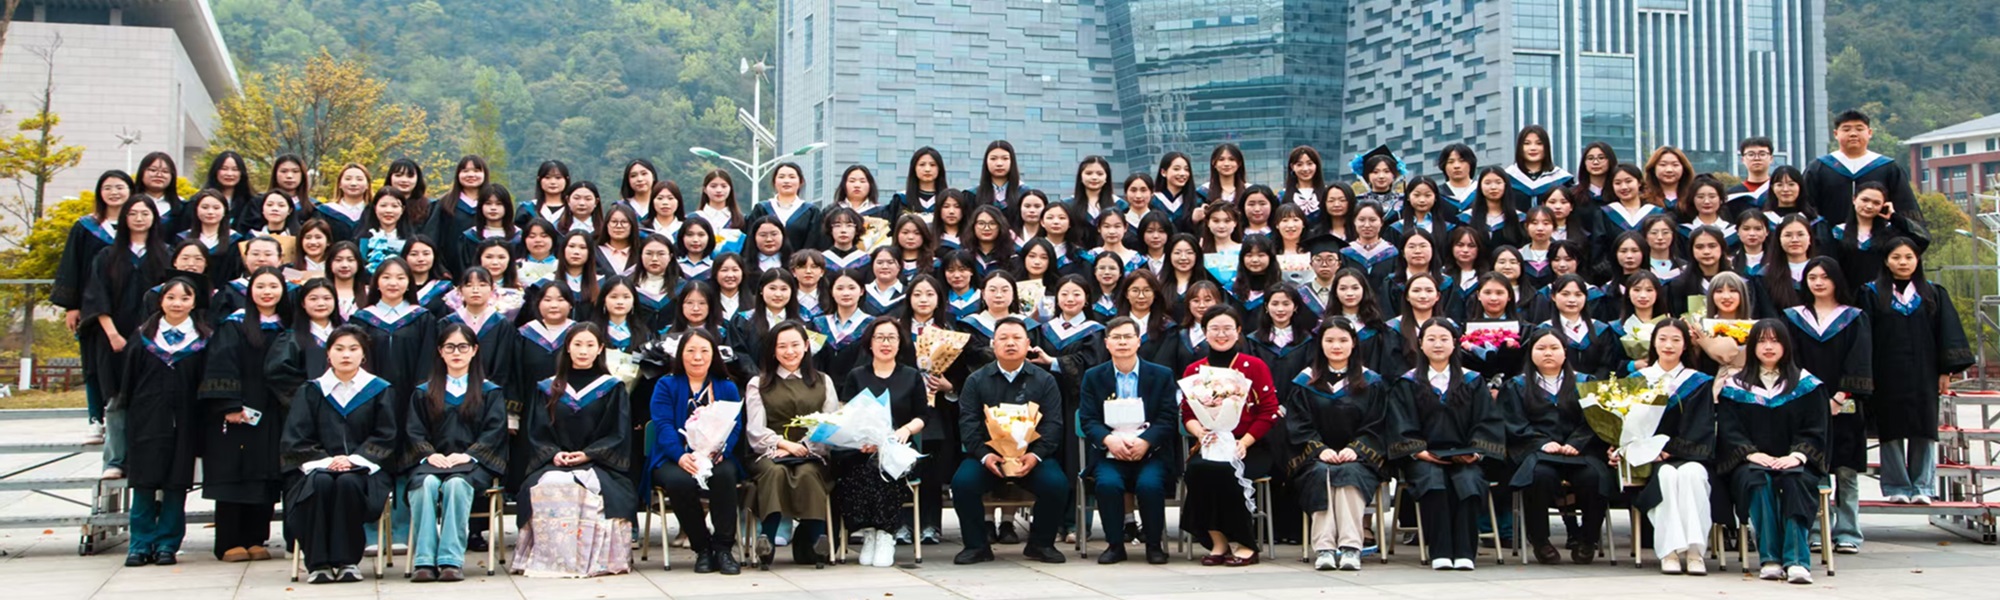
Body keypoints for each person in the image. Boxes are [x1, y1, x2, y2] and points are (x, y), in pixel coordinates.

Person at [511, 324, 635, 578]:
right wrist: (553, 453)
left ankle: (594, 561)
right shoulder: (547, 387)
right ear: (567, 347)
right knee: (550, 485)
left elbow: (619, 434)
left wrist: (589, 454)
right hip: (553, 462)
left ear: (600, 349)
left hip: (599, 463)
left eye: (590, 345)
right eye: (577, 344)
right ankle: (549, 561)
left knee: (593, 491)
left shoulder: (612, 387)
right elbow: (534, 432)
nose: (583, 351)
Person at [1857, 238, 1973, 505]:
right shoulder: (1871, 293)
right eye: (1896, 257)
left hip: (1924, 373)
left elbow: (1946, 333)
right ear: (1886, 261)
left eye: (1909, 257)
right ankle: (1897, 485)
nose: (1903, 262)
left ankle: (1922, 486)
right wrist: (1865, 374)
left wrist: (1945, 371)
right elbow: (1863, 336)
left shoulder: (1932, 293)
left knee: (1924, 428)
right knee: (1891, 429)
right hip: (1885, 374)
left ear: (1917, 260)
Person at [281, 326, 399, 584]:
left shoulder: (379, 390)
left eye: (353, 349)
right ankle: (319, 564)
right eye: (339, 349)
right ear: (328, 354)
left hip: (366, 471)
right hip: (317, 468)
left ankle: (347, 562)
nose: (346, 355)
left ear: (363, 355)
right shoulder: (312, 390)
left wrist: (353, 461)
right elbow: (296, 437)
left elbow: (386, 435)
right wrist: (327, 461)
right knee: (321, 483)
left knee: (347, 482)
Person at [950, 316, 1071, 565]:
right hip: (989, 457)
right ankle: (976, 546)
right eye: (1003, 338)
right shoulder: (976, 380)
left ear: (1028, 344)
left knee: (1056, 484)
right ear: (993, 344)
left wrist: (1035, 455)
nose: (1010, 343)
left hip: (1030, 457)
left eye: (1017, 338)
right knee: (962, 483)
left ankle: (1040, 544)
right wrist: (985, 455)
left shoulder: (1044, 380)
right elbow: (968, 424)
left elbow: (1053, 425)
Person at [1717, 320, 1828, 585]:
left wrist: (1796, 456)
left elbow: (1816, 429)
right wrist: (1750, 453)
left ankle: (1797, 561)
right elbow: (1730, 430)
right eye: (1762, 341)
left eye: (1775, 341)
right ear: (1752, 347)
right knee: (1758, 480)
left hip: (1795, 461)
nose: (1768, 347)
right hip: (1751, 462)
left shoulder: (1806, 385)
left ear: (1786, 345)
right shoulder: (1735, 387)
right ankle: (1770, 559)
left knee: (1794, 480)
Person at [1395, 318, 1504, 571]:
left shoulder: (1472, 380)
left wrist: (1476, 453)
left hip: (1465, 455)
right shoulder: (1408, 382)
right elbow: (1401, 422)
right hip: (1425, 456)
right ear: (1420, 344)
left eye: (1444, 339)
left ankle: (1465, 552)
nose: (1438, 344)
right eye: (1431, 339)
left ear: (1455, 343)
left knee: (1469, 482)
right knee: (1434, 482)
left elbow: (1486, 421)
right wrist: (1418, 452)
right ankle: (1440, 551)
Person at [403, 323, 508, 582]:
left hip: (472, 465)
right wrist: (429, 455)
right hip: (432, 463)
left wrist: (469, 455)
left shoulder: (489, 392)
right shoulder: (424, 391)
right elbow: (414, 431)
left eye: (463, 347)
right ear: (440, 351)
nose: (456, 353)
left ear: (474, 350)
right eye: (449, 347)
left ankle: (451, 560)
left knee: (456, 484)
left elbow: (494, 431)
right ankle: (424, 561)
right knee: (425, 484)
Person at [200, 267, 291, 562]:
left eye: (273, 286)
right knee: (234, 472)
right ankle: (228, 541)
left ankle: (255, 538)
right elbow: (221, 363)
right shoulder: (234, 325)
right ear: (250, 291)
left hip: (275, 411)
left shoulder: (288, 325)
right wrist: (229, 405)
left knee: (265, 474)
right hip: (241, 410)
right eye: (260, 286)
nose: (267, 292)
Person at [1286, 318, 1392, 571]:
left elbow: (1377, 423)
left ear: (1353, 343)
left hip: (1360, 457)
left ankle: (1350, 548)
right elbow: (1298, 425)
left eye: (1343, 340)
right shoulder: (1305, 382)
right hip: (1315, 457)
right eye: (1330, 340)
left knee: (1348, 473)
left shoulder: (1371, 381)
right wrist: (1320, 449)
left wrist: (1356, 449)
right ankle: (1324, 548)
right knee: (1322, 474)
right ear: (1320, 344)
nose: (1336, 346)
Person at [1180, 306, 1282, 567]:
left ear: (1238, 332)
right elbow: (1187, 412)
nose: (1221, 334)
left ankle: (1245, 543)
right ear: (1205, 332)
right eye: (1214, 329)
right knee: (1198, 469)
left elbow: (1269, 411)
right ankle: (1218, 541)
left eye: (1227, 328)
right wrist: (1199, 432)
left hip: (1250, 445)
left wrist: (1244, 442)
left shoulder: (1254, 366)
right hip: (1210, 443)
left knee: (1227, 471)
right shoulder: (1194, 369)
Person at [117, 277, 208, 567]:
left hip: (187, 420)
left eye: (184, 298)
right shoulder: (143, 337)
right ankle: (140, 544)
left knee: (176, 484)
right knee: (143, 483)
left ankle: (167, 544)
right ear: (160, 301)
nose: (177, 303)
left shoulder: (203, 339)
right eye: (171, 297)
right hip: (146, 419)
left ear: (194, 302)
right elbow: (128, 383)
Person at [1784, 258, 1872, 554]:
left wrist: (1840, 396)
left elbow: (1859, 359)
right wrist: (1810, 398)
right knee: (1812, 469)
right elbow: (1791, 361)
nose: (1818, 282)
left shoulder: (1854, 317)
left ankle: (1848, 532)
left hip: (1845, 405)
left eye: (1824, 277)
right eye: (1812, 277)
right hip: (1806, 404)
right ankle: (1815, 530)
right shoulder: (1794, 318)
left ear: (1836, 280)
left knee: (1846, 471)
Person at [1501, 328, 1607, 565]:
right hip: (1538, 453)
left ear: (1565, 352)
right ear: (1530, 353)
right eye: (1541, 348)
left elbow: (1595, 421)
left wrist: (1575, 443)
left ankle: (1588, 539)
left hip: (1579, 453)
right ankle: (1540, 540)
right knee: (1539, 477)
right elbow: (1513, 422)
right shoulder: (1517, 385)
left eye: (1554, 348)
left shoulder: (1585, 382)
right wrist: (1542, 442)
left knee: (1594, 477)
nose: (1547, 353)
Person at [1077, 317, 1175, 565]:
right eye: (1116, 337)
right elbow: (1088, 419)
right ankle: (1115, 545)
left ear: (1138, 341)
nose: (1122, 342)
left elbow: (1167, 417)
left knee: (1150, 485)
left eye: (1128, 337)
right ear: (1107, 343)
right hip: (1110, 453)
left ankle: (1154, 545)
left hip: (1150, 453)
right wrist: (1109, 440)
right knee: (1108, 484)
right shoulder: (1093, 376)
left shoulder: (1161, 375)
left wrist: (1146, 442)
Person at [649, 328, 747, 575]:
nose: (697, 357)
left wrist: (720, 450)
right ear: (681, 354)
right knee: (679, 481)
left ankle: (723, 548)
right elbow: (663, 425)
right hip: (674, 457)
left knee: (725, 475)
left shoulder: (726, 386)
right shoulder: (666, 384)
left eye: (704, 351)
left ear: (714, 355)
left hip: (716, 455)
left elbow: (735, 425)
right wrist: (680, 456)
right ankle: (702, 548)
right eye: (690, 351)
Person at [744, 321, 840, 566]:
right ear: (773, 350)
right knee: (774, 473)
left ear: (806, 346)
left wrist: (806, 447)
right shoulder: (758, 383)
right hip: (770, 453)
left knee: (808, 473)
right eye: (782, 346)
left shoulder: (823, 381)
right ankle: (767, 539)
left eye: (795, 345)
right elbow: (755, 429)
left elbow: (829, 425)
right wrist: (784, 445)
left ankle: (818, 540)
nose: (789, 351)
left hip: (812, 453)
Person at [835, 317, 928, 567]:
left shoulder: (911, 376)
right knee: (859, 466)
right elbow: (847, 414)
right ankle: (869, 532)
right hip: (862, 446)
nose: (885, 343)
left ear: (900, 343)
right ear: (870, 342)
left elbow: (922, 416)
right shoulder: (857, 375)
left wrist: (905, 431)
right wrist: (862, 439)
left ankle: (886, 534)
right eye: (880, 337)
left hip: (899, 447)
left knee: (885, 467)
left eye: (891, 338)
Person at [1627, 319, 1716, 575]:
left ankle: (1695, 552)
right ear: (1654, 343)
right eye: (1663, 339)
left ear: (1685, 345)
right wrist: (1645, 450)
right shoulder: (1637, 380)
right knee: (1666, 475)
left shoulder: (1698, 382)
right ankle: (1669, 552)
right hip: (1652, 459)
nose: (1669, 345)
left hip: (1690, 454)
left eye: (1676, 340)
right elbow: (1629, 424)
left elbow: (1702, 426)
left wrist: (1671, 450)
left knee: (1692, 475)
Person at [1805, 110, 1920, 224]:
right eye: (1846, 129)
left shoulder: (1888, 167)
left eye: (1859, 129)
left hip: (1879, 234)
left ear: (1869, 132)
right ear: (1835, 134)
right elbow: (1806, 205)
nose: (1853, 134)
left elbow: (1905, 208)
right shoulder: (1819, 167)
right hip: (1829, 234)